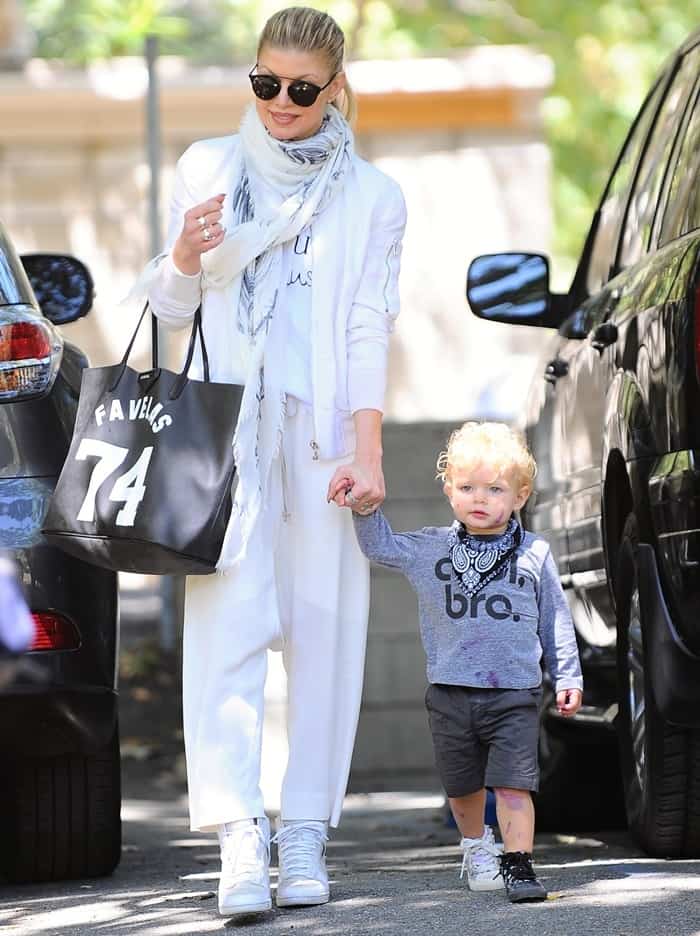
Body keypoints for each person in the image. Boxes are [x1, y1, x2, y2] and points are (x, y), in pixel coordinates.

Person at [142, 5, 406, 919]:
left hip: (323, 435)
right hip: (229, 440)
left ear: (334, 88)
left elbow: (369, 325)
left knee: (324, 634)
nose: (281, 104)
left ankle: (303, 833)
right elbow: (173, 310)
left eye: (301, 89)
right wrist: (184, 253)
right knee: (229, 633)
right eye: (266, 84)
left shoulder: (372, 196)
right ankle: (238, 838)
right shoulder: (207, 166)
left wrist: (369, 451)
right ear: (250, 77)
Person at [342, 421, 582, 903]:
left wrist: (567, 674)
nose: (480, 498)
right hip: (450, 691)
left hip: (514, 692)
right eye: (468, 487)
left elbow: (555, 617)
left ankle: (519, 865)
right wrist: (366, 508)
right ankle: (476, 848)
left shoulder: (534, 553)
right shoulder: (433, 548)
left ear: (519, 495)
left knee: (514, 784)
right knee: (463, 786)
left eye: (495, 489)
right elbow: (381, 546)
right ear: (449, 490)